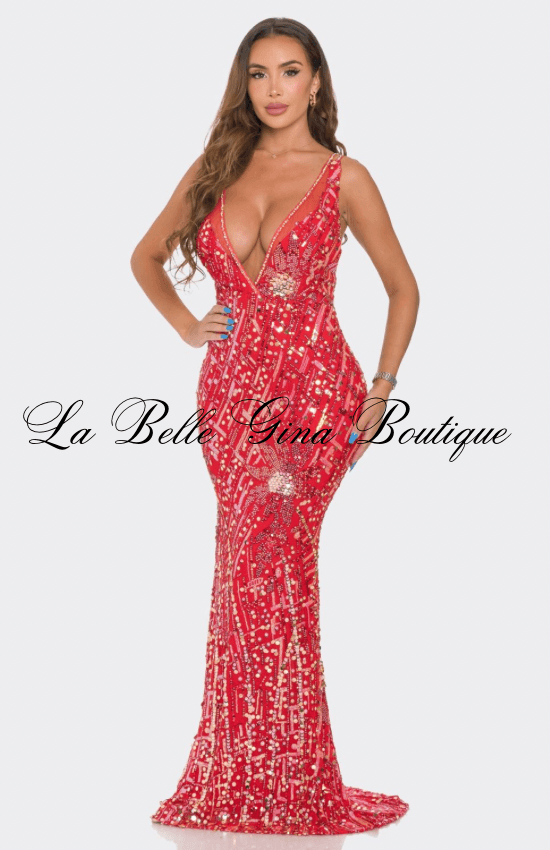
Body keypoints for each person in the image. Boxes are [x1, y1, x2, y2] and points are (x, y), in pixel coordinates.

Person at [130, 16, 418, 836]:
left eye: (291, 71)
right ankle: (251, 772)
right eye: (259, 74)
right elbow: (144, 257)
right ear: (244, 84)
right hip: (229, 401)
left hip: (315, 399)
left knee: (270, 570)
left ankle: (284, 780)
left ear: (316, 81)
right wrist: (189, 327)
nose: (274, 89)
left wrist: (383, 390)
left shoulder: (344, 177)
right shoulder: (217, 167)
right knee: (244, 572)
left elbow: (404, 288)